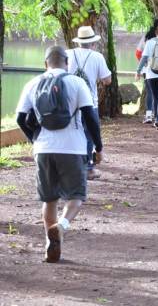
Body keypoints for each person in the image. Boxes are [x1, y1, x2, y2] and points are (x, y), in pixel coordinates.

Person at [16, 46, 104, 263]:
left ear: (45, 63)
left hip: (43, 149)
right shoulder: (77, 82)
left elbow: (20, 118)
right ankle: (61, 227)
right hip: (72, 148)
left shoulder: (32, 84)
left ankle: (50, 244)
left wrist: (34, 139)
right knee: (76, 197)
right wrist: (98, 148)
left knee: (49, 199)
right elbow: (91, 118)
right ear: (67, 63)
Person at [67, 26, 111, 181]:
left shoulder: (68, 54)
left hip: (68, 103)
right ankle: (87, 168)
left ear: (79, 42)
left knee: (70, 133)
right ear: (93, 43)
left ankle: (71, 167)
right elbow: (107, 80)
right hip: (89, 102)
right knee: (88, 134)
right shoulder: (97, 57)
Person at [137, 18, 158, 124]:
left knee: (150, 92)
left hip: (147, 69)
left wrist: (144, 64)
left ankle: (148, 115)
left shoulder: (146, 37)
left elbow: (138, 53)